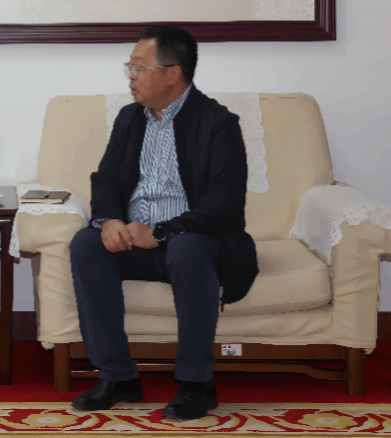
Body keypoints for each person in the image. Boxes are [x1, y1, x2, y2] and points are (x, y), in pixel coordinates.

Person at [68, 25, 257, 421]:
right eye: (130, 67)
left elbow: (223, 203)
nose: (131, 76)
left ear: (173, 73)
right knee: (86, 244)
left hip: (191, 241)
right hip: (135, 243)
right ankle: (118, 376)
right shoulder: (129, 118)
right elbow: (105, 179)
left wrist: (162, 233)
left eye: (140, 67)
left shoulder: (217, 122)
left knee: (188, 246)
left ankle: (197, 383)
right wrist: (109, 220)